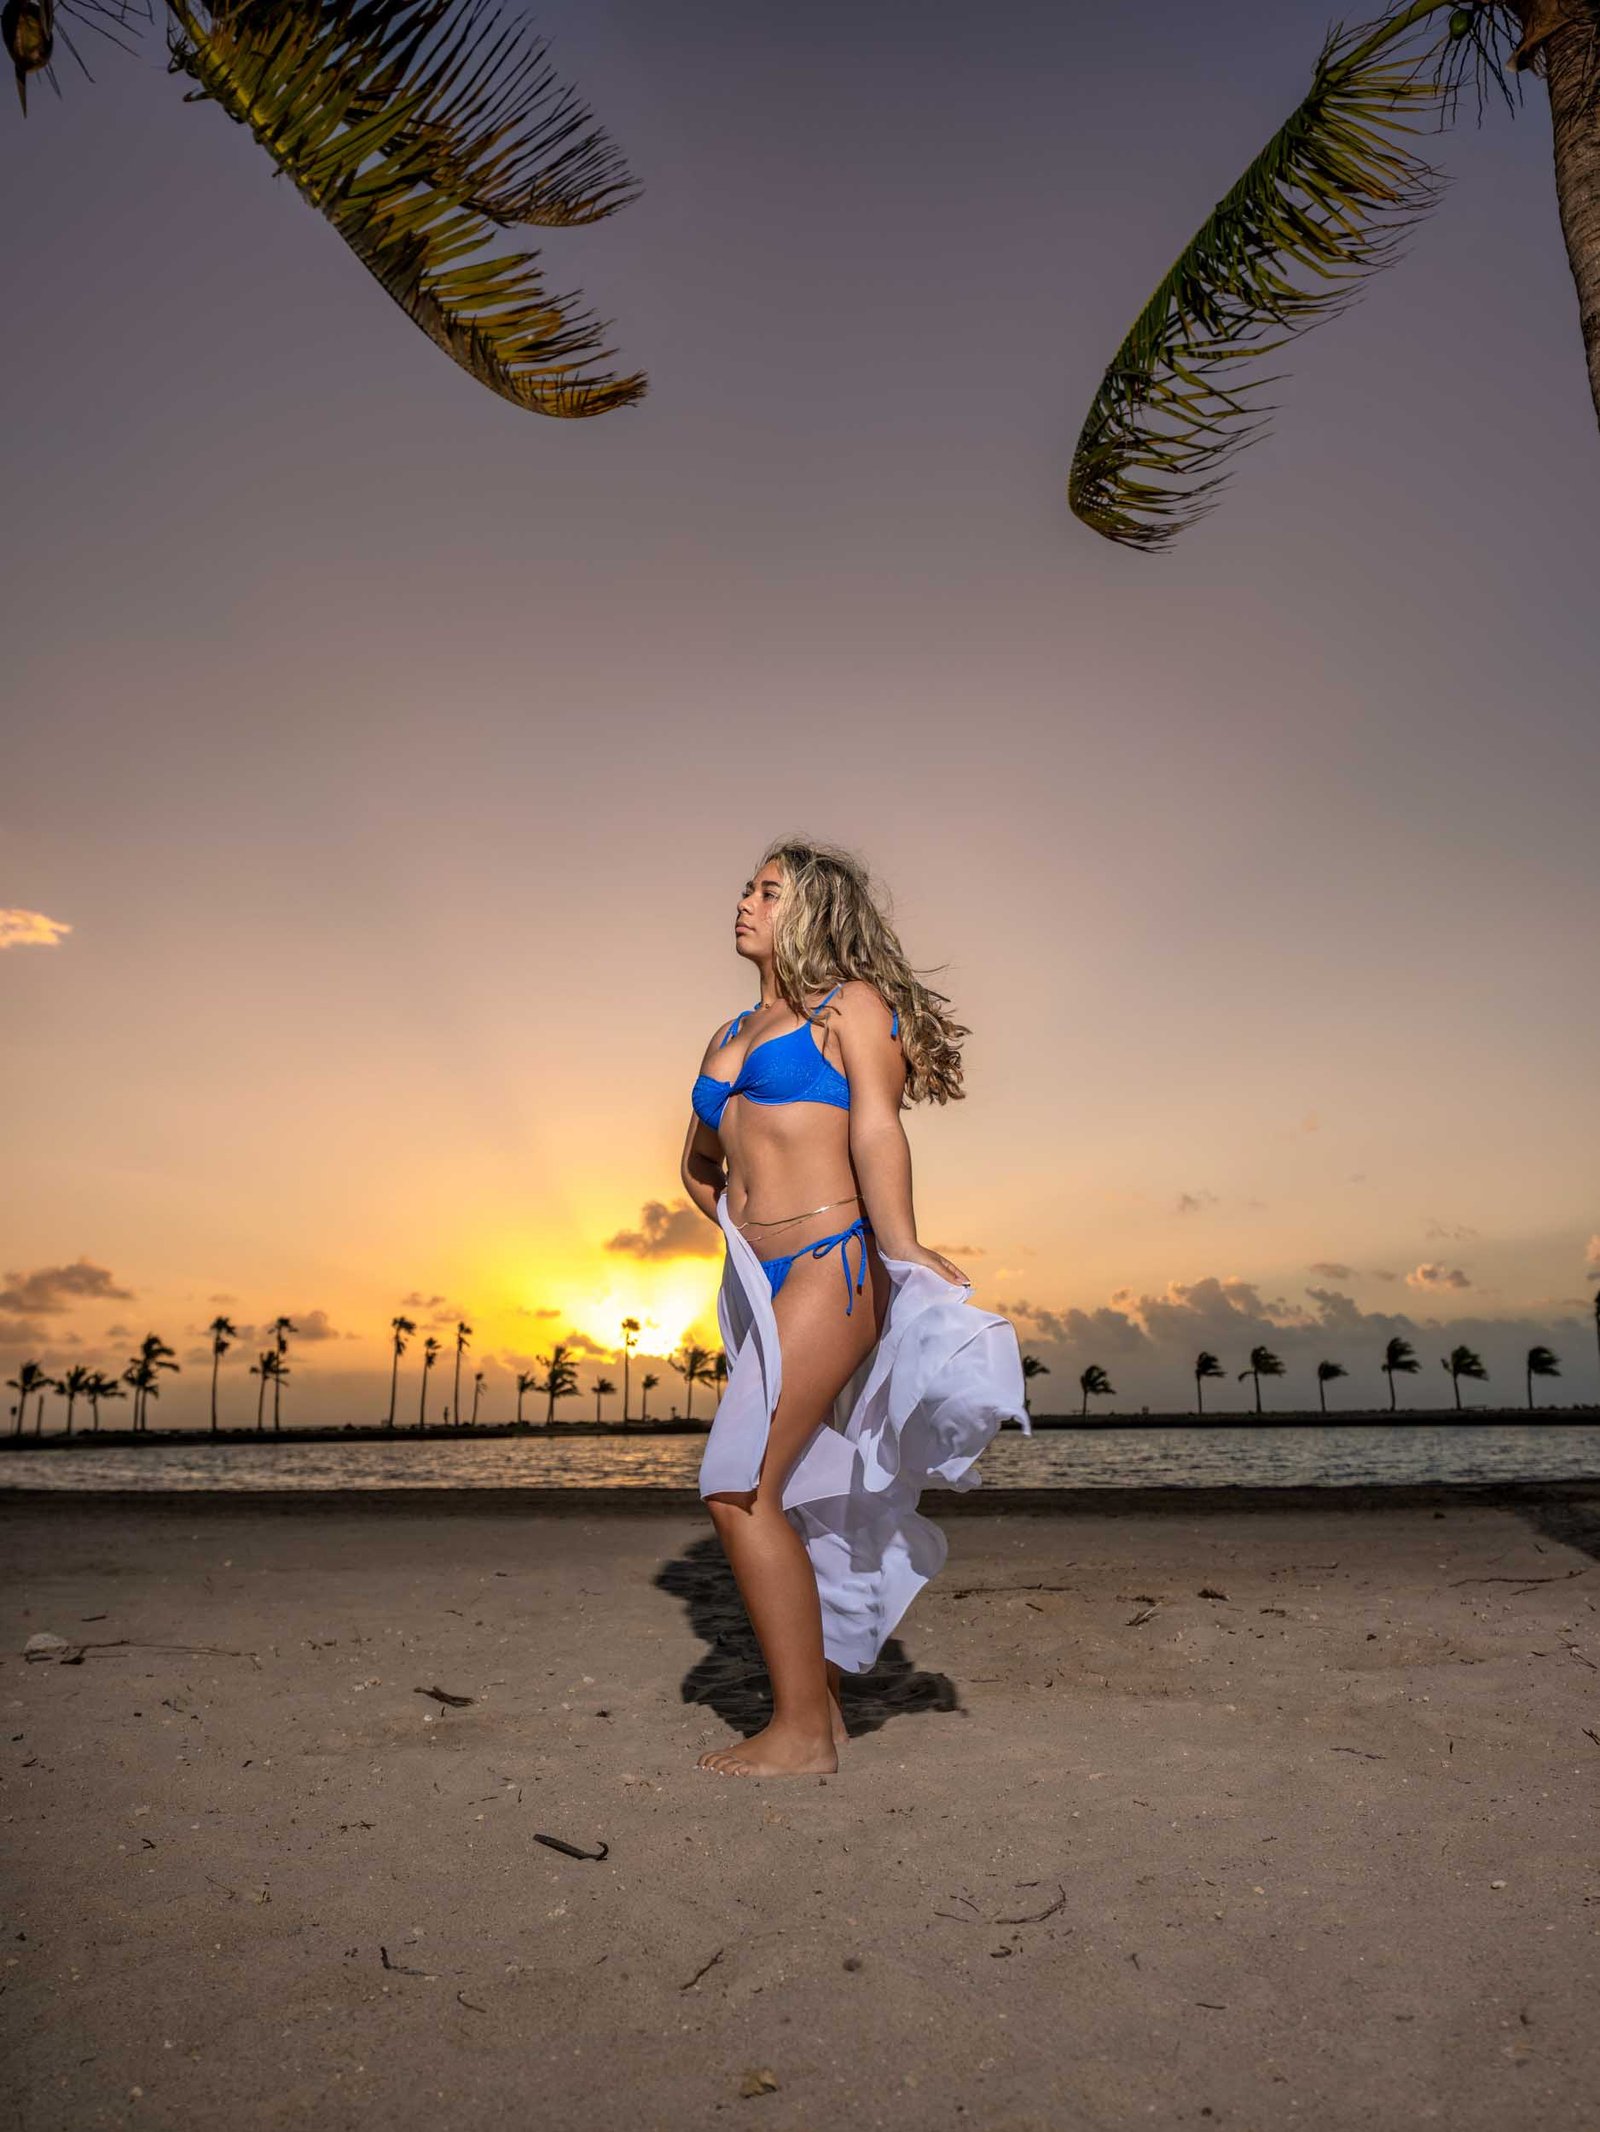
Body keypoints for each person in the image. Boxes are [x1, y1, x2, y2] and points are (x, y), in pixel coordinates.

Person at [680, 837, 1027, 1778]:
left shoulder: (851, 1008)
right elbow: (700, 1162)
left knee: (738, 1486)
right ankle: (820, 1712)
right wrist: (739, 1225)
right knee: (789, 1492)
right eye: (746, 887)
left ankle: (800, 1735)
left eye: (768, 892)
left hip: (831, 1268)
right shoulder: (728, 1033)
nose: (745, 902)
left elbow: (877, 1126)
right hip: (759, 1285)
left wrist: (901, 1244)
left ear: (814, 911)